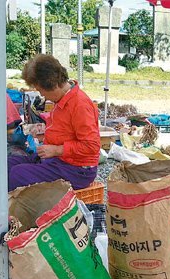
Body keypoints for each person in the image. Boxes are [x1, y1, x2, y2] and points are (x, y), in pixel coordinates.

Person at [7, 54, 100, 192]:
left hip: (78, 170)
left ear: (52, 85)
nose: (42, 95)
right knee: (7, 164)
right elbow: (64, 130)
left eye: (40, 90)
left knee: (18, 174)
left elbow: (91, 146)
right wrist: (44, 133)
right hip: (59, 160)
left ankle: (16, 210)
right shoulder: (61, 99)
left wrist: (56, 150)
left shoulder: (80, 105)